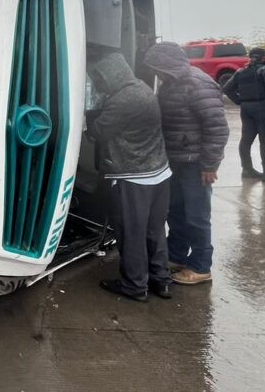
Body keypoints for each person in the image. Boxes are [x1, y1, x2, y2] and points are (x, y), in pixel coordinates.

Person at [87, 53, 173, 302]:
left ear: (111, 76)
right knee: (154, 231)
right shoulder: (143, 89)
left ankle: (135, 286)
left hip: (134, 178)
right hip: (160, 173)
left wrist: (89, 118)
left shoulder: (122, 99)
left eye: (100, 79)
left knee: (132, 234)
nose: (99, 84)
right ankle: (161, 280)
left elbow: (99, 132)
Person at [143, 43, 230, 286]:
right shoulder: (171, 82)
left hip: (196, 164)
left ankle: (201, 266)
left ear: (167, 64)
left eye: (157, 67)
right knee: (176, 211)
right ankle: (176, 255)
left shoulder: (198, 84)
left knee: (197, 215)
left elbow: (217, 128)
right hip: (176, 160)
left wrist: (210, 164)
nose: (156, 73)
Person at [222, 47, 265, 183]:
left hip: (247, 108)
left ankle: (247, 169)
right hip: (264, 108)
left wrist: (240, 101)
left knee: (246, 140)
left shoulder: (241, 71)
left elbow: (227, 88)